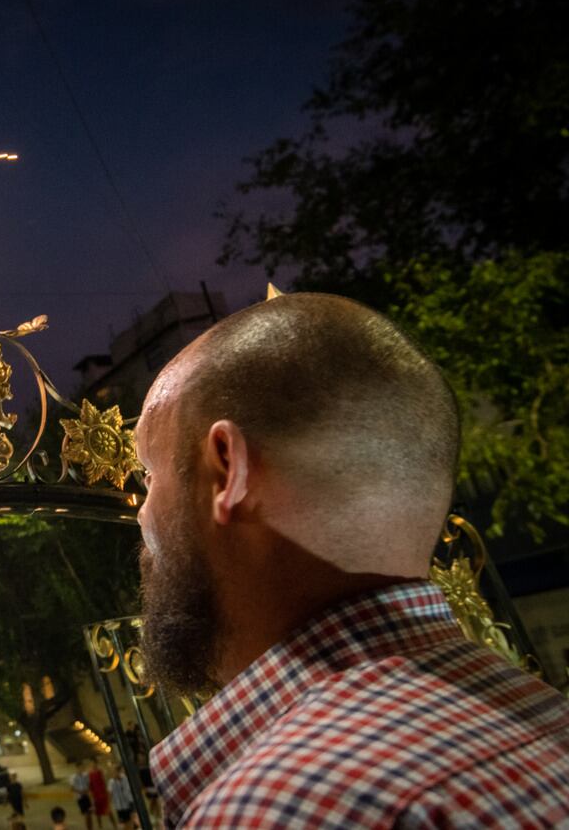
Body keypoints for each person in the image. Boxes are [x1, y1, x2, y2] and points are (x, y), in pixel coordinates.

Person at [133, 293, 569, 826]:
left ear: (228, 470)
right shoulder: (542, 714)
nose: (140, 515)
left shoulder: (284, 807)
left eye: (149, 476)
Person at [107, 764, 136, 829]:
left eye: (115, 771)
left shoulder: (125, 778)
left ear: (118, 771)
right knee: (124, 824)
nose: (113, 773)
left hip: (129, 803)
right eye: (112, 772)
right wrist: (109, 806)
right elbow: (110, 794)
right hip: (120, 807)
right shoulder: (111, 782)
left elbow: (129, 790)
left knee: (131, 822)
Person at [70, 760, 95, 829]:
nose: (81, 769)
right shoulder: (73, 777)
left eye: (82, 767)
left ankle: (90, 828)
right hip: (80, 797)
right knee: (86, 815)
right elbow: (72, 788)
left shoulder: (85, 775)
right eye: (80, 767)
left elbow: (89, 785)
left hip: (87, 796)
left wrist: (88, 790)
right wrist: (80, 792)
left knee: (89, 815)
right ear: (77, 768)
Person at [87, 757, 110, 827]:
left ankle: (115, 826)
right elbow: (90, 785)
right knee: (98, 813)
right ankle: (100, 826)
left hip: (102, 793)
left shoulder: (100, 771)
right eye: (91, 763)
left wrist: (107, 793)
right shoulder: (90, 773)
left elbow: (104, 782)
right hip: (96, 795)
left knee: (108, 811)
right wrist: (91, 795)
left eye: (94, 763)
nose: (93, 765)